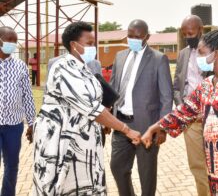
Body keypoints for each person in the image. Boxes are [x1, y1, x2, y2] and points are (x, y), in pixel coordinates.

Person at [142, 22, 218, 196]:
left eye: (201, 53)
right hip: (216, 166)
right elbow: (184, 112)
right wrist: (155, 127)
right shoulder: (206, 85)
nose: (197, 57)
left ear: (215, 54)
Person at [33, 21, 141, 195]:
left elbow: (98, 103)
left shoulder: (83, 68)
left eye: (94, 43)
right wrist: (126, 130)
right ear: (74, 45)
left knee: (82, 185)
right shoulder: (64, 68)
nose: (94, 47)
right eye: (89, 43)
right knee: (61, 185)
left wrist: (108, 117)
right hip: (62, 140)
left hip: (82, 141)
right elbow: (92, 109)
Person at [109, 19, 173, 196]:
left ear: (147, 37)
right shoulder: (120, 56)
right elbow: (113, 88)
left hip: (147, 127)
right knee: (117, 167)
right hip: (121, 124)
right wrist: (107, 116)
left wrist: (162, 128)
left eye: (138, 37)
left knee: (146, 175)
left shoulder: (159, 59)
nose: (133, 40)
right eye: (130, 36)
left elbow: (166, 98)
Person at [173, 15, 210, 195]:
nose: (188, 36)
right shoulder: (182, 54)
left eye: (191, 33)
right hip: (191, 121)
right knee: (197, 166)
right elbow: (177, 85)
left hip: (213, 118)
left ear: (201, 30)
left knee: (217, 164)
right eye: (185, 33)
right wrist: (183, 108)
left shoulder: (215, 50)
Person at [0, 26, 35, 196]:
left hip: (14, 125)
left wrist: (32, 123)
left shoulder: (21, 66)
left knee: (12, 165)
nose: (13, 44)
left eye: (15, 41)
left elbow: (27, 96)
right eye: (9, 40)